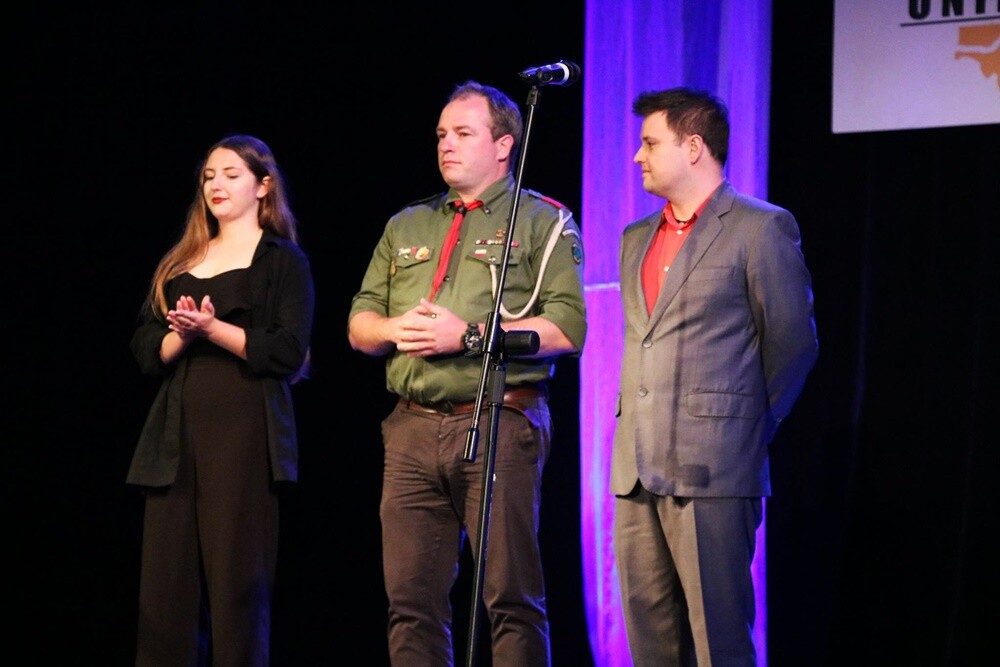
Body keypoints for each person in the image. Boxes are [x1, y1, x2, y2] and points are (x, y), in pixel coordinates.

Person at [347, 80, 587, 666]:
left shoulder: (543, 220)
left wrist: (469, 335)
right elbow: (359, 323)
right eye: (440, 135)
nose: (446, 145)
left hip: (499, 418)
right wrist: (392, 327)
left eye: (462, 133)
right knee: (411, 602)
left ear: (504, 146)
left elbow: (567, 330)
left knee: (510, 598)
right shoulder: (408, 224)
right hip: (411, 429)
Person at [611, 87, 819, 666]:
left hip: (715, 468)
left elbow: (793, 344)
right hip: (635, 471)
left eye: (650, 143)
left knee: (718, 643)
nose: (638, 156)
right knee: (651, 644)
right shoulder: (634, 237)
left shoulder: (760, 227)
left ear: (694, 146)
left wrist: (744, 428)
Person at [127, 134, 315, 666]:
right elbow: (145, 346)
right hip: (176, 431)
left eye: (232, 174)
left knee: (238, 586)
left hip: (245, 430)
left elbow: (288, 350)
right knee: (165, 591)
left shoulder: (282, 261)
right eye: (209, 175)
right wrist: (183, 335)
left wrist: (212, 329)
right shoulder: (181, 261)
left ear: (263, 185)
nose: (216, 185)